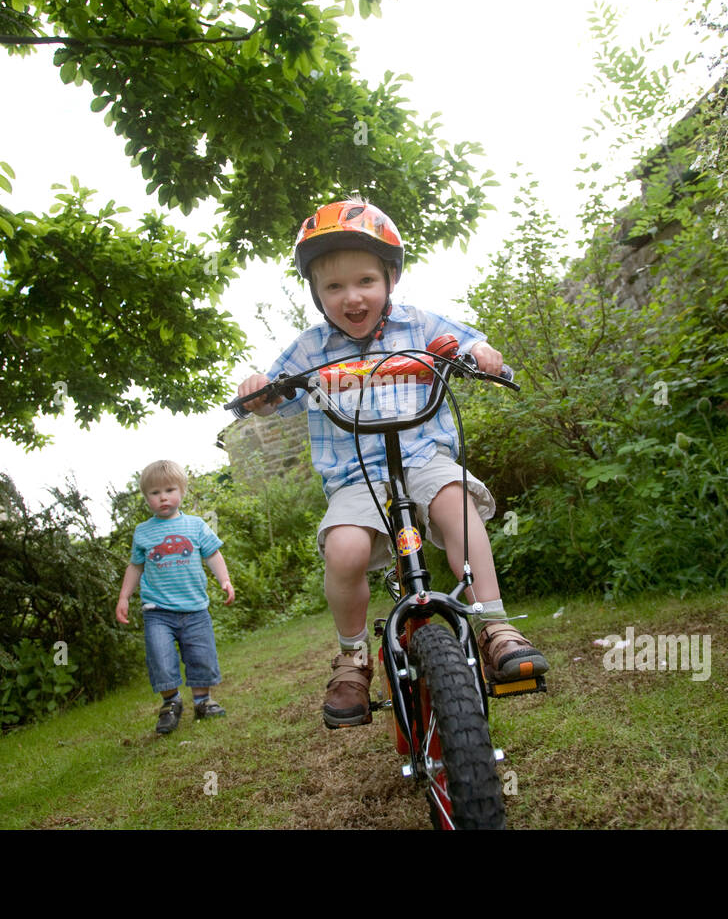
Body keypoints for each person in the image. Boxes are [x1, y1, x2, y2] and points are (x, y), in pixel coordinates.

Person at [235, 198, 549, 729]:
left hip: (424, 456)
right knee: (345, 548)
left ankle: (495, 626)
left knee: (455, 503)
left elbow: (466, 343)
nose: (351, 297)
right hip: (355, 475)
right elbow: (273, 396)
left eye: (364, 281)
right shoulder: (310, 348)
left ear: (391, 277)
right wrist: (258, 391)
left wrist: (481, 353)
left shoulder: (418, 323)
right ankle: (353, 656)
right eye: (333, 287)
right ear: (316, 294)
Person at [116, 459, 235, 734]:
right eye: (154, 493)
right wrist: (124, 597)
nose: (163, 497)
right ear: (147, 498)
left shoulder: (195, 526)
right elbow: (135, 566)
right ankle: (170, 703)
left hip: (195, 609)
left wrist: (225, 580)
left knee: (201, 655)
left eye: (169, 490)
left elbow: (213, 554)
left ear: (181, 491)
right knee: (160, 656)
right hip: (157, 611)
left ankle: (203, 701)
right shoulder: (143, 532)